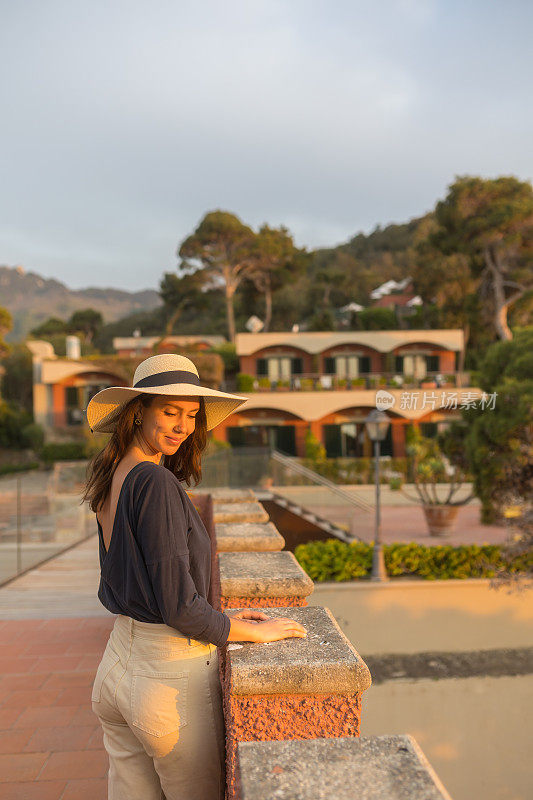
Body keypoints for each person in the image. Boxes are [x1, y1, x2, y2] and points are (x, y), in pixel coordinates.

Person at [83, 353, 307, 800]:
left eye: (190, 416)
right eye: (169, 412)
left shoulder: (115, 475)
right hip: (166, 681)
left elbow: (147, 580)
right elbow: (179, 607)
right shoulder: (155, 483)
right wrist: (252, 634)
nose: (181, 426)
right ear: (138, 410)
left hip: (117, 668)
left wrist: (217, 610)